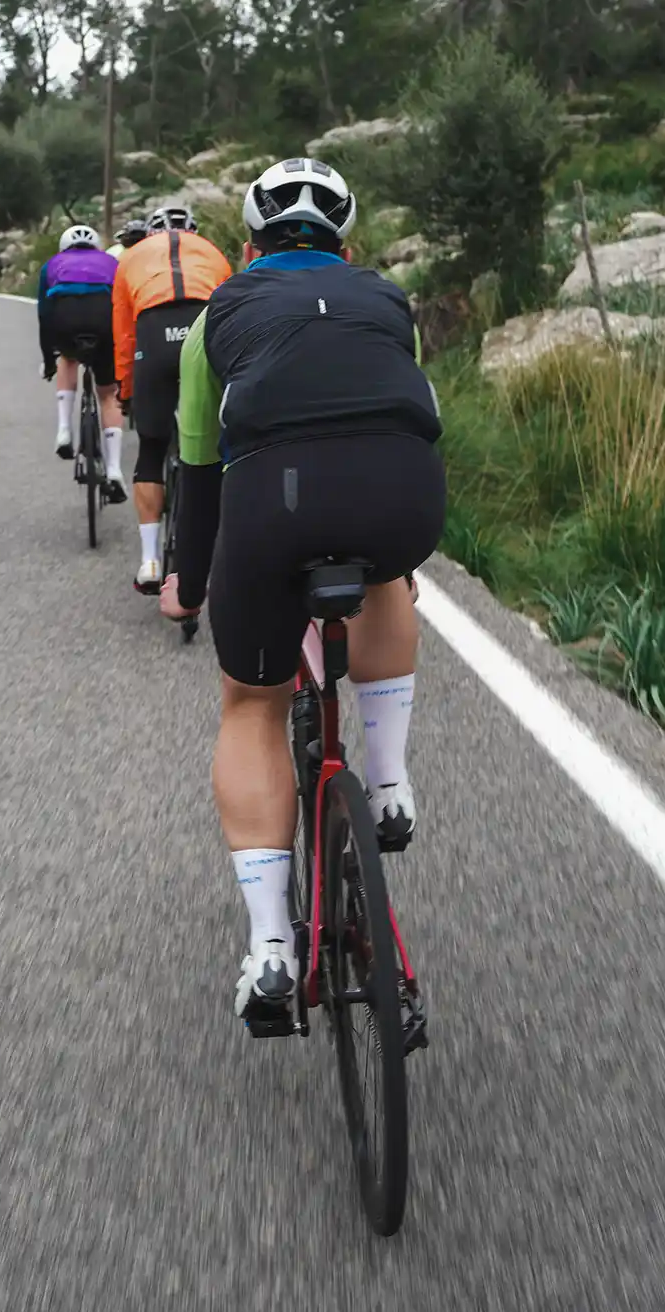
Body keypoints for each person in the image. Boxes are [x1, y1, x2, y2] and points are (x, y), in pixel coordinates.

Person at [159, 158, 445, 1021]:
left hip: (271, 508)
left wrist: (193, 579)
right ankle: (389, 784)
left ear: (248, 249)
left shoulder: (223, 314)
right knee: (389, 572)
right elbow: (407, 418)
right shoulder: (387, 300)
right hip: (401, 499)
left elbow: (200, 467)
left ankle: (274, 952)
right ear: (346, 247)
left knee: (252, 703)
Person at [112, 205, 232, 593]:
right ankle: (223, 548)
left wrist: (127, 391)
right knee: (219, 444)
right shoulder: (213, 251)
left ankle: (149, 561)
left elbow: (124, 336)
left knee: (151, 447)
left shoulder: (131, 258)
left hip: (153, 332)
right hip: (204, 327)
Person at [38, 225, 127, 503]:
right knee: (109, 395)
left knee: (67, 358)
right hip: (103, 318)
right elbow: (123, 306)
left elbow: (44, 315)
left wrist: (48, 360)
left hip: (65, 319)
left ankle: (64, 430)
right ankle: (114, 470)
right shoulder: (111, 262)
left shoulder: (52, 264)